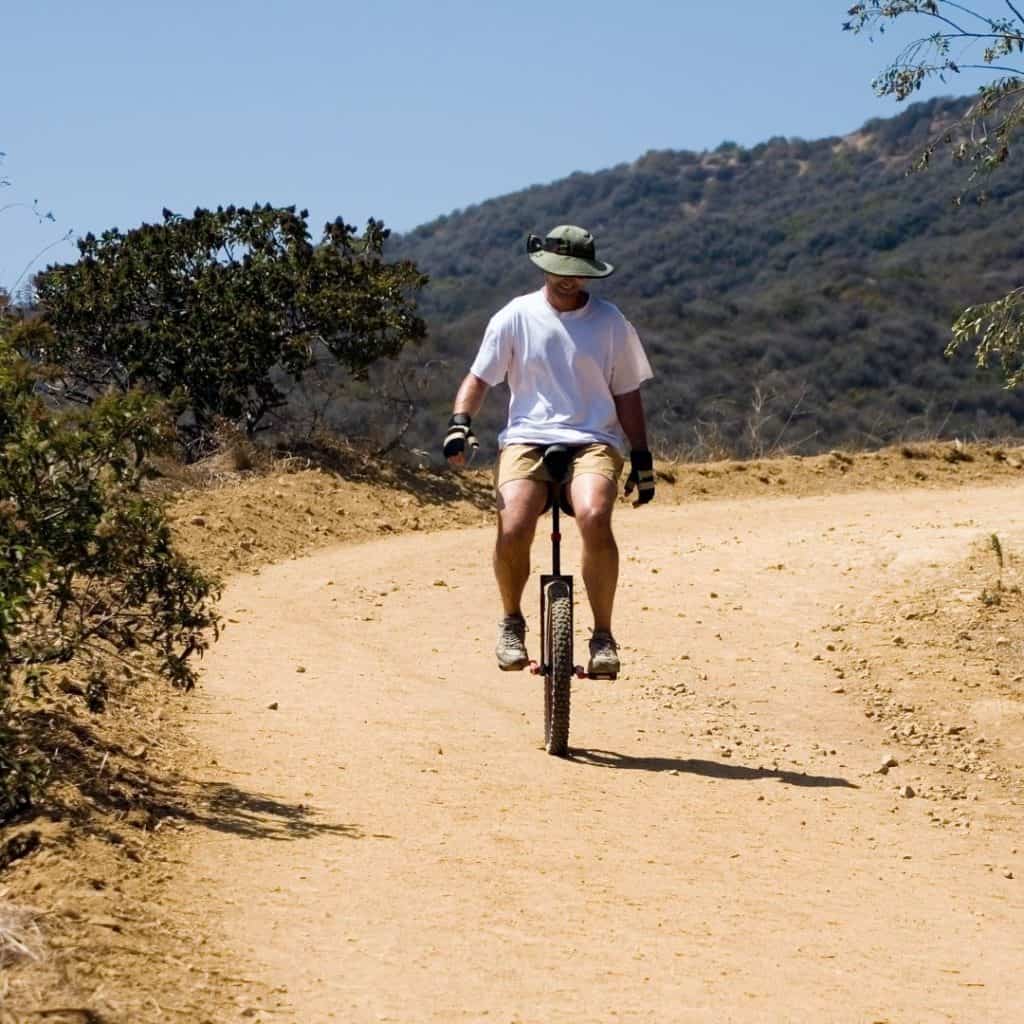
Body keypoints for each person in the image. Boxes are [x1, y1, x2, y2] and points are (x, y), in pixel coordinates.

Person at [443, 224, 655, 676]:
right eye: (560, 270)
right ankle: (511, 622)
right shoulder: (514, 316)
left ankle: (602, 636)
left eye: (577, 272)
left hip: (594, 439)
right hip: (526, 437)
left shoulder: (611, 322)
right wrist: (460, 424)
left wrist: (641, 457)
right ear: (543, 266)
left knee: (595, 515)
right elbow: (479, 378)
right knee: (514, 523)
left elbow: (628, 394)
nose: (568, 279)